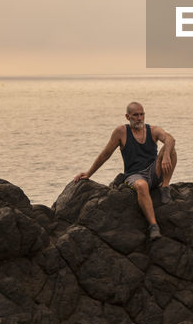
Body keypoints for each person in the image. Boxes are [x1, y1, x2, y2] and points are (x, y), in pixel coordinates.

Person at [74, 101, 177, 239]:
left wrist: (165, 156)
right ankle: (153, 226)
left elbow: (170, 138)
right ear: (127, 117)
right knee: (142, 185)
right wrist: (88, 173)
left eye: (142, 114)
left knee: (170, 148)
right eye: (135, 115)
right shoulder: (121, 132)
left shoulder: (153, 130)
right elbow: (106, 154)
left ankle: (165, 187)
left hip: (154, 171)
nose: (139, 118)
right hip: (134, 175)